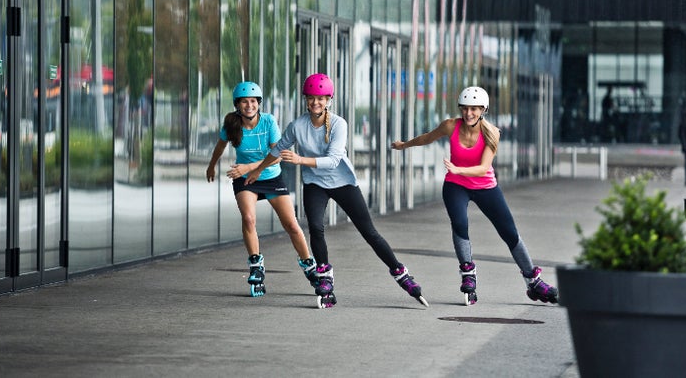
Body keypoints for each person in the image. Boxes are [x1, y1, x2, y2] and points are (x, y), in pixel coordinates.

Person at [245, 73, 428, 309]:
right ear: (306, 100)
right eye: (311, 98)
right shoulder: (297, 126)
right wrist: (258, 170)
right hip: (315, 184)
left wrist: (300, 160)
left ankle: (401, 273)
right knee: (316, 227)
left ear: (329, 100)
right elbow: (278, 149)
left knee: (369, 232)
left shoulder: (339, 124)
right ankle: (324, 276)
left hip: (342, 182)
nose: (315, 103)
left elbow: (332, 161)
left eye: (320, 98)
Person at [390, 86, 558, 306]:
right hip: (455, 186)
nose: (469, 113)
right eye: (466, 108)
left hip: (485, 186)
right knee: (460, 224)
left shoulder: (492, 133)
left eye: (474, 109)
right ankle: (468, 273)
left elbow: (482, 168)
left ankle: (533, 282)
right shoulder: (451, 125)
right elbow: (427, 138)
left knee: (509, 231)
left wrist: (459, 169)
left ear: (483, 110)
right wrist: (405, 145)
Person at [206, 81, 316, 297]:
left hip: (271, 177)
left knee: (291, 224)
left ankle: (309, 265)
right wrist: (211, 166)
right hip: (246, 180)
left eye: (254, 101)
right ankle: (256, 265)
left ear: (259, 104)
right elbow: (219, 147)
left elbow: (277, 158)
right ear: (238, 105)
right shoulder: (231, 124)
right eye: (245, 102)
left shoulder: (268, 122)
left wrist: (249, 166)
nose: (250, 105)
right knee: (248, 219)